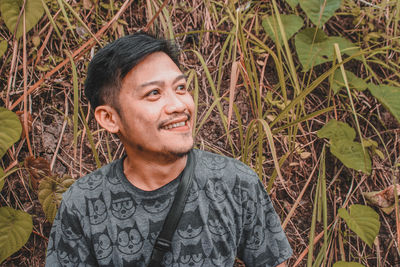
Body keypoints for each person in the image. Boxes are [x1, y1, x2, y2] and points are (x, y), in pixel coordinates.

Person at [45, 32, 292, 267]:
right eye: (154, 93)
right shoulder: (83, 204)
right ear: (110, 118)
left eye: (181, 88)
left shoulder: (236, 183)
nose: (178, 105)